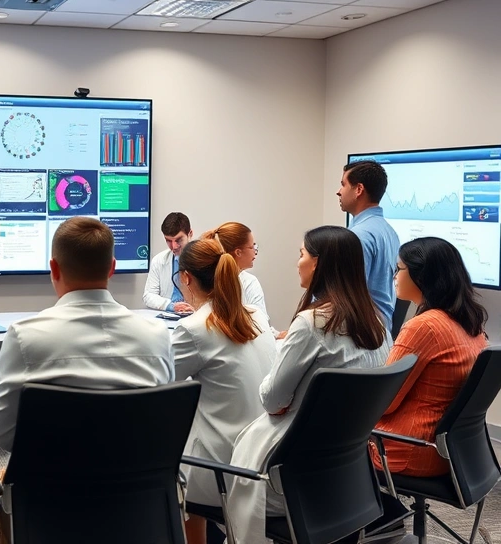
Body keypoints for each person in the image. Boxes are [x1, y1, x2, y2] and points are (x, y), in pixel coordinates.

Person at [226, 225, 390, 543]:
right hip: (348, 476)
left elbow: (272, 400)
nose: (297, 262)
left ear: (318, 263)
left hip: (287, 476)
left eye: (301, 254)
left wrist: (287, 397)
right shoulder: (378, 322)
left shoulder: (311, 323)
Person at [0, 217, 174, 451]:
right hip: (140, 485)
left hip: (53, 485)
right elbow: (162, 426)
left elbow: (5, 435)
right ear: (112, 268)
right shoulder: (157, 336)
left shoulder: (24, 337)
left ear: (54, 269)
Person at [171, 238, 276, 544]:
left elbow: (158, 386)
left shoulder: (193, 328)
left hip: (222, 468)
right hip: (266, 459)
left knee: (164, 454)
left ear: (187, 278)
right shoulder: (256, 315)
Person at [373, 237, 488, 476]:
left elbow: (383, 402)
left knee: (321, 439)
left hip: (408, 448)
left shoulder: (424, 327)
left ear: (422, 277)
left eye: (399, 269)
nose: (394, 276)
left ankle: (361, 512)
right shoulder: (472, 325)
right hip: (451, 451)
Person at [339, 160, 401, 333]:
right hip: (380, 333)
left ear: (358, 189)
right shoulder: (390, 232)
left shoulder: (358, 236)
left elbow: (346, 296)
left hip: (359, 335)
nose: (339, 192)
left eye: (343, 185)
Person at [202, 222, 267, 316]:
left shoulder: (207, 279)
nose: (255, 251)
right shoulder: (249, 282)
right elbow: (260, 321)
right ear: (238, 252)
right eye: (252, 246)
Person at [143, 211, 195, 314]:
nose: (174, 247)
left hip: (195, 316)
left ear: (190, 234)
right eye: (168, 241)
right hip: (169, 316)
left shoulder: (205, 260)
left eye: (178, 240)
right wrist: (170, 306)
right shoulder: (159, 260)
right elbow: (148, 296)